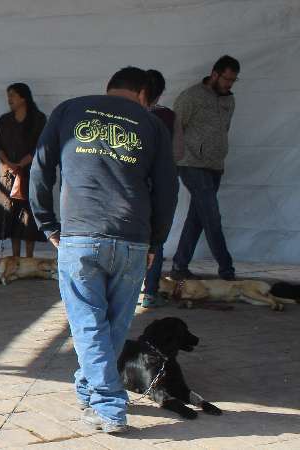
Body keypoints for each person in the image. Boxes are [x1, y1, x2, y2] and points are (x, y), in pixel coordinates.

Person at [30, 67, 178, 433]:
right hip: (132, 238)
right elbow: (167, 190)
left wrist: (47, 224)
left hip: (80, 235)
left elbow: (41, 168)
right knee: (112, 325)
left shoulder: (69, 110)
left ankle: (109, 406)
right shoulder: (153, 124)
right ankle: (90, 389)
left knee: (88, 325)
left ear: (109, 88)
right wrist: (155, 243)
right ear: (144, 92)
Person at [170, 55, 240, 281]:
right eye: (226, 79)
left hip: (215, 165)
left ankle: (179, 266)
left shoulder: (229, 100)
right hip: (191, 163)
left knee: (198, 218)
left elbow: (224, 130)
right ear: (214, 74)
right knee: (212, 217)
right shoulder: (191, 96)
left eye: (233, 80)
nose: (229, 84)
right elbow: (175, 127)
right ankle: (227, 270)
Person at [140, 69, 185, 307]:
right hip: (162, 185)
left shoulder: (128, 114)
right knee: (155, 239)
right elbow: (178, 153)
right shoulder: (168, 117)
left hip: (133, 186)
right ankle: (149, 291)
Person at [0, 83, 47, 257]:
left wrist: (24, 162)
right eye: (8, 95)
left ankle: (29, 257)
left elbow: (42, 145)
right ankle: (14, 256)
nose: (9, 99)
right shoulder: (5, 120)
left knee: (28, 214)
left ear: (23, 97)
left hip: (30, 173)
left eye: (13, 95)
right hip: (8, 173)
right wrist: (8, 162)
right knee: (11, 214)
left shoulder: (38, 119)